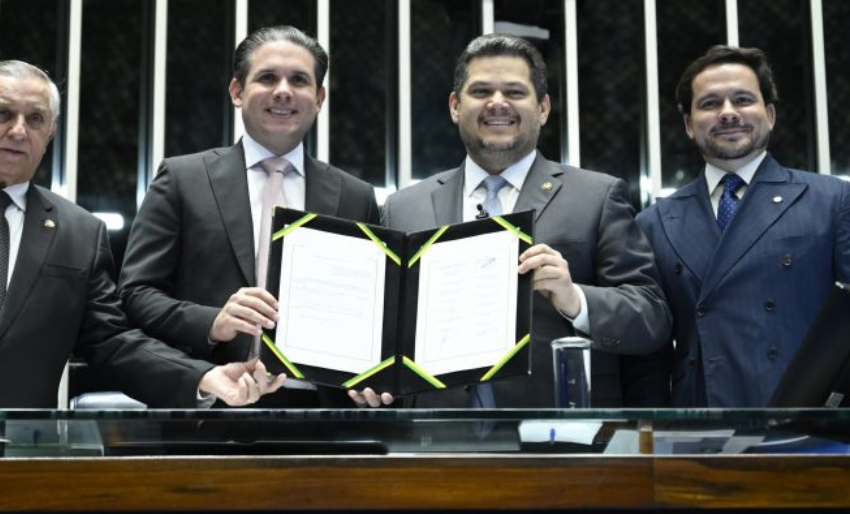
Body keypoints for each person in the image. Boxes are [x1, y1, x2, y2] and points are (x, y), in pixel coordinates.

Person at [0, 60, 284, 408]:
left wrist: (203, 378)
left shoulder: (79, 232)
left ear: (50, 133)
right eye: (3, 113)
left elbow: (112, 343)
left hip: (18, 456)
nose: (19, 130)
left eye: (36, 119)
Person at [356, 33, 671, 408]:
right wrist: (369, 376)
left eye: (515, 92)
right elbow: (379, 329)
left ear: (543, 108)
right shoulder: (403, 208)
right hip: (434, 433)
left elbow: (651, 316)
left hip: (558, 430)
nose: (497, 102)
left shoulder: (598, 197)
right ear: (455, 106)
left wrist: (574, 298)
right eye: (481, 91)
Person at [119, 26, 380, 407]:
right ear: (237, 91)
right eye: (268, 78)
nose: (283, 91)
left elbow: (373, 314)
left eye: (299, 80)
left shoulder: (356, 197)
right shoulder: (183, 179)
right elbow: (135, 294)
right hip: (211, 405)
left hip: (324, 414)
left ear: (319, 98)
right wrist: (212, 322)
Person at [636, 45, 850, 407]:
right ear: (688, 124)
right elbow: (648, 358)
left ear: (770, 114)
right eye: (710, 104)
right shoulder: (653, 222)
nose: (728, 113)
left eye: (743, 99)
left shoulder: (832, 200)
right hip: (700, 421)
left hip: (804, 417)